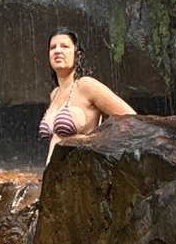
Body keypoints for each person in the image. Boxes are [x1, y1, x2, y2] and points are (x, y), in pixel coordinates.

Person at [38, 27, 135, 164]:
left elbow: (131, 118)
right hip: (55, 179)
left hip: (82, 175)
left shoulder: (86, 86)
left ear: (77, 55)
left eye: (65, 46)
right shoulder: (55, 94)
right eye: (53, 47)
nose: (58, 51)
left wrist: (89, 140)